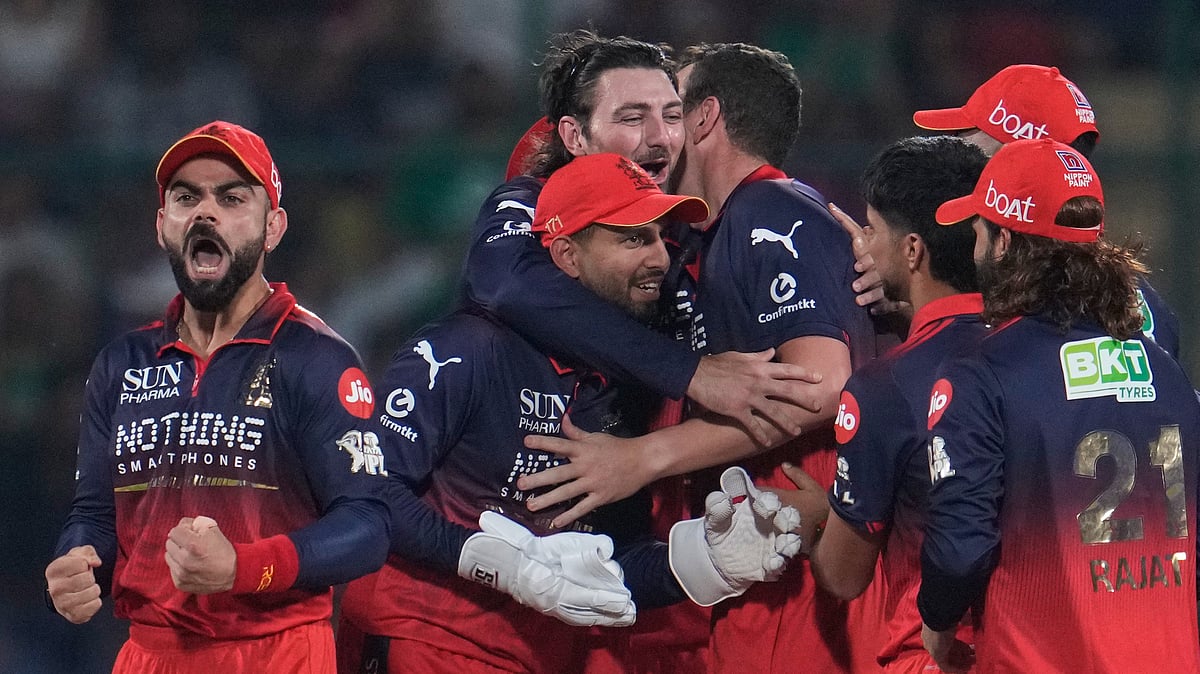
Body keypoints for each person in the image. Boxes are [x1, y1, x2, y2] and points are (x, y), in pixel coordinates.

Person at [336, 153, 802, 674]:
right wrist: (488, 559)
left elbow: (600, 569)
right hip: (423, 639)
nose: (660, 259)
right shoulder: (465, 350)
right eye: (632, 239)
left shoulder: (625, 389)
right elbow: (367, 491)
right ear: (567, 255)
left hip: (544, 656)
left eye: (658, 237)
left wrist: (707, 560)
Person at [520, 43, 882, 673]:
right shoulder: (711, 231)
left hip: (794, 564)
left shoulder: (765, 212)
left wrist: (643, 458)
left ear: (705, 119)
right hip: (755, 563)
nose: (658, 134)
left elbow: (821, 385)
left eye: (671, 109)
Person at [43, 121, 392, 673]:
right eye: (187, 197)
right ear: (162, 226)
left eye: (231, 198)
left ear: (272, 227)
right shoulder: (120, 364)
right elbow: (94, 514)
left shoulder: (318, 359)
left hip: (277, 653)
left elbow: (370, 526)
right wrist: (80, 562)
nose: (206, 212)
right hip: (146, 655)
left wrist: (246, 568)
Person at [918, 138, 1200, 673]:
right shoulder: (1165, 369)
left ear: (1003, 242)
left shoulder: (982, 374)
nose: (974, 245)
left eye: (978, 230)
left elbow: (960, 551)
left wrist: (935, 630)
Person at [798, 135, 989, 673]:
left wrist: (818, 516)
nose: (861, 246)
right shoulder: (1034, 353)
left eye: (872, 230)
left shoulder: (884, 387)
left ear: (912, 251)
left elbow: (843, 575)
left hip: (931, 653)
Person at [845, 64, 1180, 357]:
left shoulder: (1032, 296)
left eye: (968, 144)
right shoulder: (1128, 296)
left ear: (1019, 158)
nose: (954, 153)